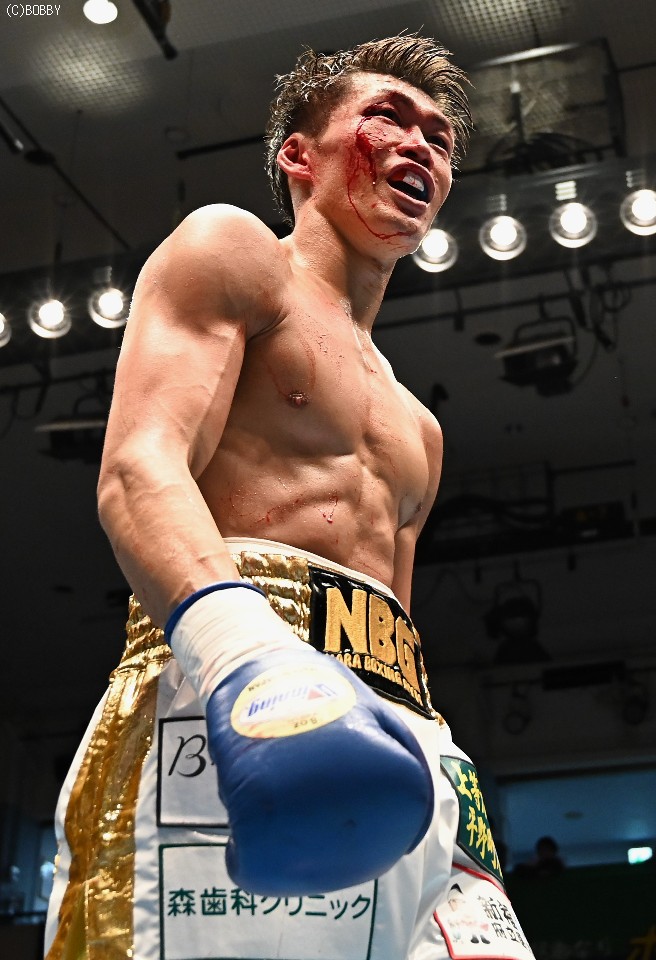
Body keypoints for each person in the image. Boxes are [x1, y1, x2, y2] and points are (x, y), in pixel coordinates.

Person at [44, 35, 534, 960]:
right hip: (221, 691)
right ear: (299, 156)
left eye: (439, 138)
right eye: (387, 117)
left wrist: (447, 788)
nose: (421, 144)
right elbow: (139, 468)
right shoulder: (234, 254)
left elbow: (395, 627)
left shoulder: (420, 428)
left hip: (394, 741)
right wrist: (249, 654)